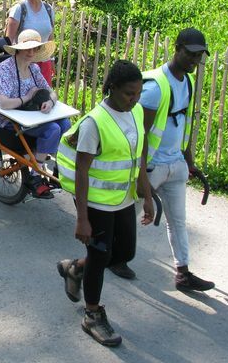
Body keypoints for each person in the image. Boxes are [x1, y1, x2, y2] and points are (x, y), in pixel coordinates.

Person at [55, 60, 154, 347]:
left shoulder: (134, 112)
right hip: (96, 204)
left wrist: (146, 196)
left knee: (124, 252)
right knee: (101, 256)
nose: (134, 99)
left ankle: (75, 268)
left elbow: (139, 158)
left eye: (137, 94)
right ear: (112, 88)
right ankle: (92, 315)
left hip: (123, 199)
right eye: (128, 94)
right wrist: (81, 218)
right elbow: (82, 171)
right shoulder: (94, 123)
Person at [124, 27, 214, 292]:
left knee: (178, 221)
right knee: (127, 216)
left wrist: (189, 159)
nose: (194, 61)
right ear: (177, 49)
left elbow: (182, 124)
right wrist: (142, 178)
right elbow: (140, 136)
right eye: (190, 54)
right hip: (151, 167)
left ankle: (183, 273)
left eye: (199, 57)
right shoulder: (155, 87)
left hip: (175, 164)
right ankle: (109, 258)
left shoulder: (187, 82)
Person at [0, 29, 70, 198]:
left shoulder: (33, 68)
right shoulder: (5, 69)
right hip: (8, 119)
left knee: (66, 124)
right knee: (53, 129)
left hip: (29, 116)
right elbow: (4, 103)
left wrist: (50, 102)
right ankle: (35, 176)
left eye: (35, 49)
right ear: (19, 49)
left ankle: (57, 169)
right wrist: (27, 97)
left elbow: (51, 92)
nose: (31, 53)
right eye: (28, 48)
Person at [5, 0, 55, 83]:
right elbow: (9, 38)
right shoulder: (19, 9)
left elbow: (50, 36)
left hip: (43, 61)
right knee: (25, 95)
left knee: (43, 95)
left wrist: (51, 59)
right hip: (24, 61)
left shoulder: (48, 9)